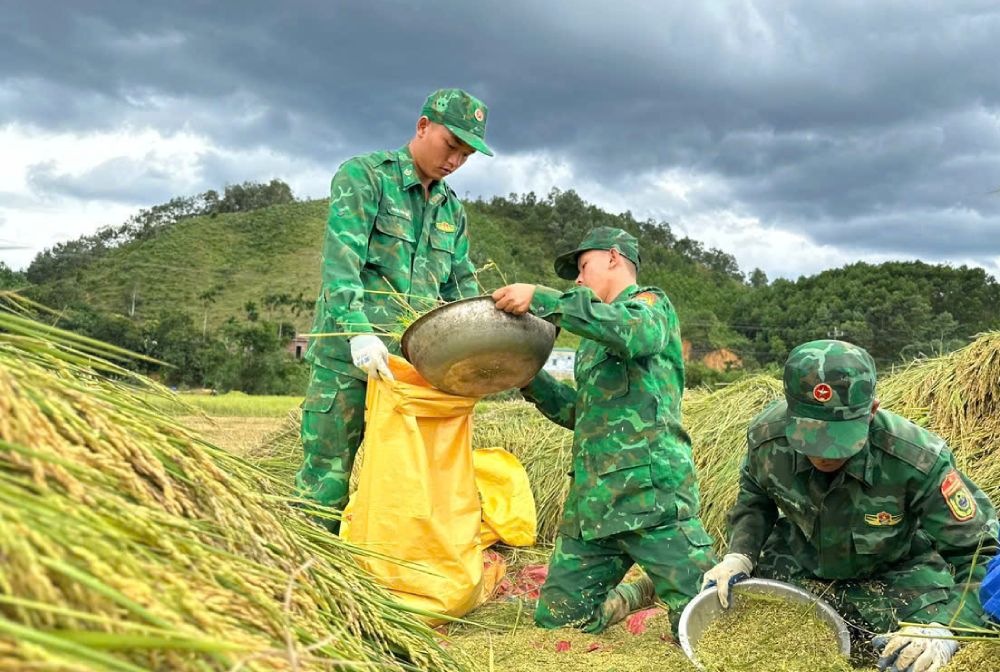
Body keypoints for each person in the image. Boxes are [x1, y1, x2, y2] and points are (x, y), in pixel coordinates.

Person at [703, 339, 998, 671]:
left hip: (895, 578)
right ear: (790, 413)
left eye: (841, 439)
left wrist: (945, 629)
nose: (825, 454)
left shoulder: (917, 459)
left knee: (916, 657)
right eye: (812, 438)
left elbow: (981, 553)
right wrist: (739, 555)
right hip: (798, 567)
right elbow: (755, 499)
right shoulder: (767, 439)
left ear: (871, 412)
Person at [492, 227, 717, 634]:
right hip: (594, 509)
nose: (577, 280)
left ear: (613, 257)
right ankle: (634, 595)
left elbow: (635, 333)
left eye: (583, 267)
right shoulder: (592, 345)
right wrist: (527, 377)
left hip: (651, 502)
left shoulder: (650, 307)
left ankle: (657, 586)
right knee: (559, 627)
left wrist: (544, 298)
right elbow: (582, 414)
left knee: (707, 625)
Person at [297, 88, 492, 532]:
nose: (454, 161)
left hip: (410, 374)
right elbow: (341, 266)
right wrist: (358, 333)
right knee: (325, 480)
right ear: (423, 126)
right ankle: (308, 580)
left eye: (465, 155)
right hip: (349, 362)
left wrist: (484, 341)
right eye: (450, 146)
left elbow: (459, 286)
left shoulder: (451, 209)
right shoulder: (364, 177)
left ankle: (382, 577)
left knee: (404, 488)